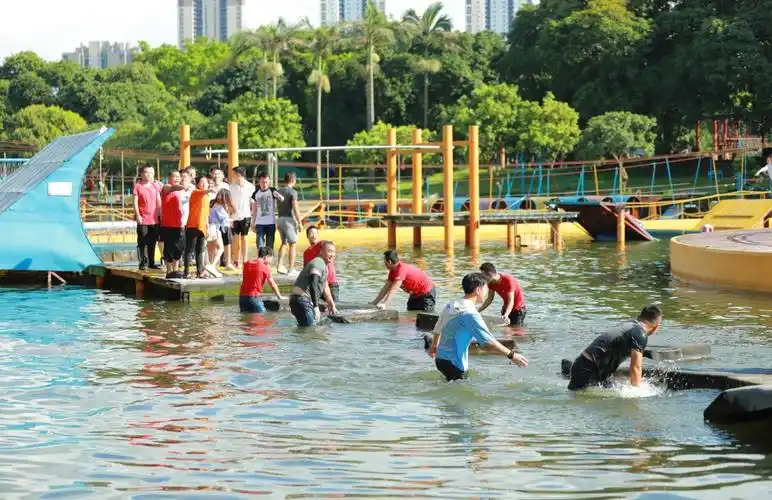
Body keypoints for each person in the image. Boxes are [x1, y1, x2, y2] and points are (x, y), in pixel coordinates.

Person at [428, 272, 529, 381]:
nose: (487, 292)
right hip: (455, 363)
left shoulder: (452, 304)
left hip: (440, 359)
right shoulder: (470, 314)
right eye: (486, 288)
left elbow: (439, 324)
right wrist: (512, 355)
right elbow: (488, 341)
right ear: (478, 290)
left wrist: (434, 345)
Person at [567, 304, 663, 391]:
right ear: (657, 327)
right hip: (587, 371)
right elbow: (636, 367)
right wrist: (638, 393)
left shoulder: (629, 325)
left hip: (585, 367)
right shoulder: (640, 334)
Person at [289, 241, 339, 327]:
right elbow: (313, 283)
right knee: (311, 331)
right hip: (302, 300)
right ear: (321, 252)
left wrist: (331, 304)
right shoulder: (318, 263)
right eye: (329, 251)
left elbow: (325, 287)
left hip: (298, 300)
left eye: (334, 252)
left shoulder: (324, 266)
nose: (332, 254)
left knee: (307, 328)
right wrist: (316, 307)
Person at [372, 250, 437, 311]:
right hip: (415, 294)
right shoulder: (393, 271)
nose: (384, 264)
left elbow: (394, 289)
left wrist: (385, 304)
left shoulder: (401, 269)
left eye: (385, 262)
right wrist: (374, 302)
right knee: (411, 311)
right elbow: (386, 288)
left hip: (427, 293)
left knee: (425, 316)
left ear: (389, 262)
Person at [159, 170, 189, 278]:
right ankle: (169, 270)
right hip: (167, 224)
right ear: (169, 177)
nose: (176, 178)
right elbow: (172, 188)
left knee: (179, 247)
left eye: (178, 176)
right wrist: (182, 186)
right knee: (168, 249)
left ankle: (175, 270)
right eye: (174, 176)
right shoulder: (166, 187)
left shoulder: (180, 192)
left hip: (179, 224)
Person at [133, 165, 162, 271]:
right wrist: (138, 215)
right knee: (142, 241)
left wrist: (160, 215)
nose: (148, 174)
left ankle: (151, 262)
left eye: (150, 172)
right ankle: (143, 262)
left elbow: (159, 201)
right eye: (146, 172)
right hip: (143, 219)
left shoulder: (155, 186)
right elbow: (135, 202)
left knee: (152, 242)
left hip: (154, 219)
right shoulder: (138, 186)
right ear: (141, 174)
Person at [239, 247, 285, 313]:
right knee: (261, 318)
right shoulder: (265, 267)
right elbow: (272, 284)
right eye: (271, 258)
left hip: (242, 297)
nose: (270, 261)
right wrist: (279, 296)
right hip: (254, 297)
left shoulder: (247, 264)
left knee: (246, 320)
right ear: (266, 256)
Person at [184, 177, 212, 279]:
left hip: (202, 227)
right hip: (192, 225)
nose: (204, 183)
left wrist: (207, 227)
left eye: (206, 182)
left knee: (200, 250)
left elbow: (206, 215)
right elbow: (204, 192)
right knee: (189, 250)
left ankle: (199, 272)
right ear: (198, 184)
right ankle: (186, 272)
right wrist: (210, 190)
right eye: (202, 182)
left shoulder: (206, 197)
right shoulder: (195, 192)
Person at [303, 225, 339, 302]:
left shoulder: (322, 245)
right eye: (311, 233)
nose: (314, 235)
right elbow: (306, 270)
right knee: (321, 308)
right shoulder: (306, 253)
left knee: (334, 307)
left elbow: (329, 243)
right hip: (319, 284)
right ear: (307, 236)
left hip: (331, 283)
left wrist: (330, 246)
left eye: (315, 233)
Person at [277, 172, 303, 275]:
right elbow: (295, 208)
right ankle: (291, 269)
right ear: (293, 180)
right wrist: (300, 222)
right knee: (293, 244)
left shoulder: (279, 191)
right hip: (288, 220)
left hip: (279, 219)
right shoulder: (293, 192)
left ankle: (279, 265)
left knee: (284, 243)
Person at [251, 171, 284, 255]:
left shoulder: (272, 191)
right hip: (260, 223)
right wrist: (253, 222)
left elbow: (281, 198)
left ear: (269, 181)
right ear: (259, 182)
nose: (264, 184)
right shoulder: (255, 194)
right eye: (262, 182)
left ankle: (267, 263)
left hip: (270, 223)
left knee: (269, 246)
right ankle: (260, 262)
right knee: (260, 244)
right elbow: (254, 210)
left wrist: (279, 196)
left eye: (266, 182)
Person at [229, 167, 255, 268]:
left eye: (233, 174)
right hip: (234, 216)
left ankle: (244, 259)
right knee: (235, 238)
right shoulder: (231, 187)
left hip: (246, 215)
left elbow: (253, 202)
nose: (232, 176)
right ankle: (236, 260)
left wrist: (253, 217)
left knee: (244, 238)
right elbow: (230, 201)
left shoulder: (250, 187)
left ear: (239, 175)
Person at [207, 189, 235, 278]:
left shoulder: (211, 203)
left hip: (209, 227)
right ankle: (212, 265)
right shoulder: (220, 207)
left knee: (211, 249)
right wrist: (231, 220)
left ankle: (210, 268)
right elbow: (224, 220)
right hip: (215, 228)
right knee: (221, 248)